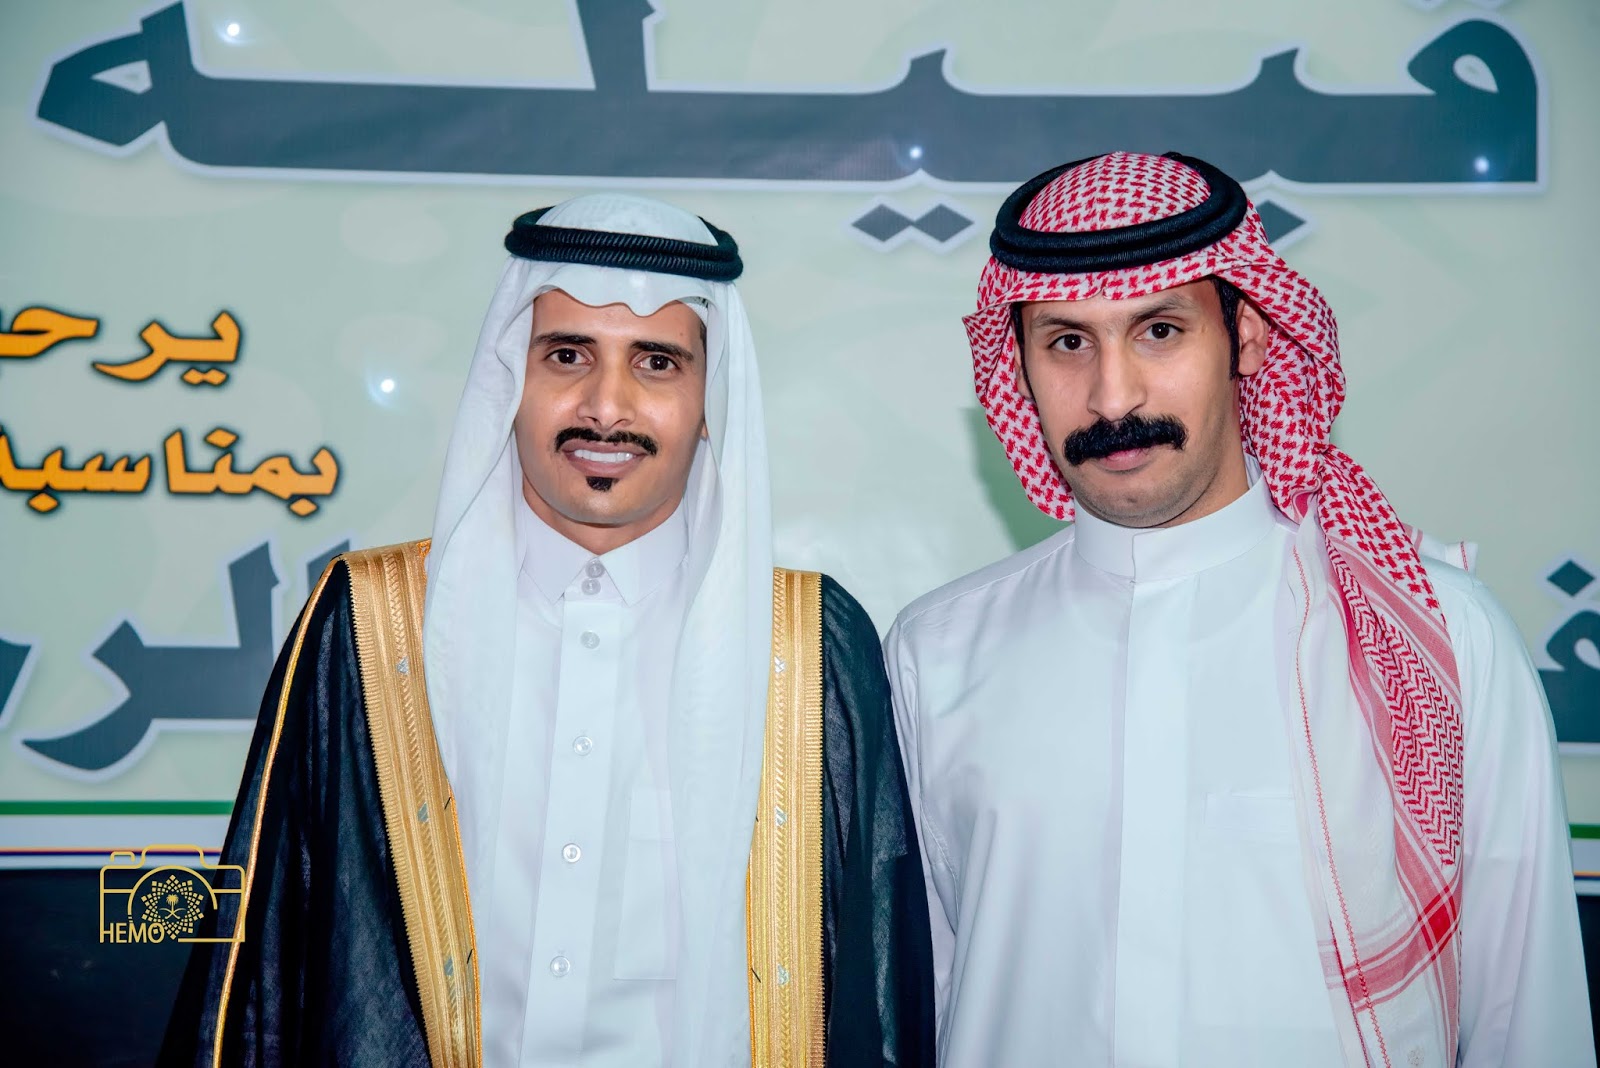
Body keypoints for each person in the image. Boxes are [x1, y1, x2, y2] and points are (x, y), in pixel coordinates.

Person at [162, 193, 934, 1067]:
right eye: (567, 355)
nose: (606, 406)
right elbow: (266, 958)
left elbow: (878, 978)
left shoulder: (806, 644)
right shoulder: (369, 623)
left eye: (657, 363)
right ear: (509, 378)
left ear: (709, 398)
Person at [885, 151, 1593, 1066]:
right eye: (1067, 342)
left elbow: (1524, 1021)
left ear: (1248, 336)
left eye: (1159, 331)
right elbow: (924, 997)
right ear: (1016, 363)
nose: (1113, 396)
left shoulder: (1439, 637)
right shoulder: (937, 652)